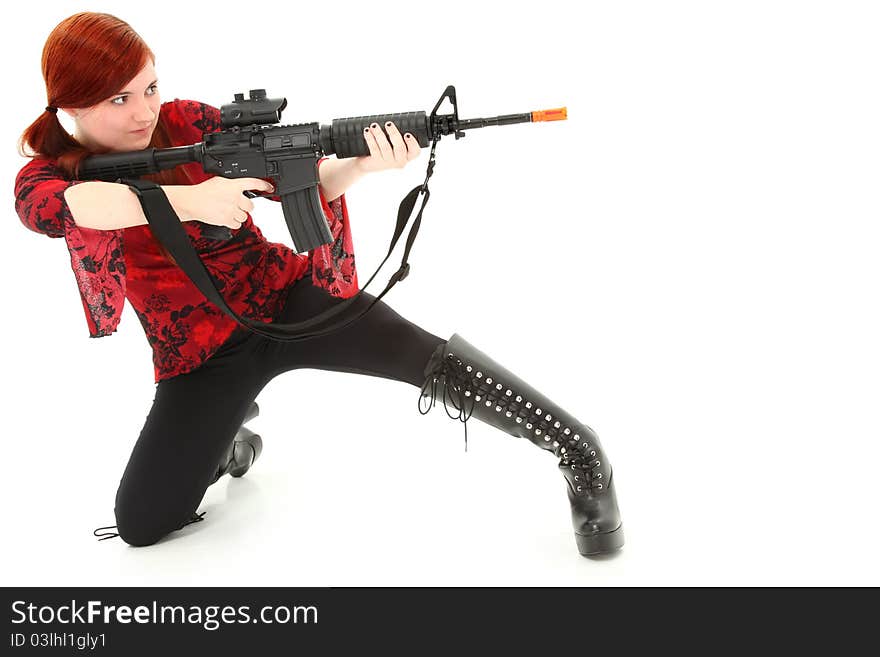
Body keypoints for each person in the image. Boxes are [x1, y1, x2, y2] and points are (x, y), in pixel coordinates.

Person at [15, 11, 624, 557]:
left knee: (423, 358)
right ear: (70, 106)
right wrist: (191, 199)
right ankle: (228, 437)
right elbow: (78, 206)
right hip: (202, 356)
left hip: (287, 301)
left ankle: (579, 452)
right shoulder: (44, 174)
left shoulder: (191, 125)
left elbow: (304, 182)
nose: (145, 112)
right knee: (141, 525)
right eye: (119, 99)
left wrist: (362, 163)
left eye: (150, 87)